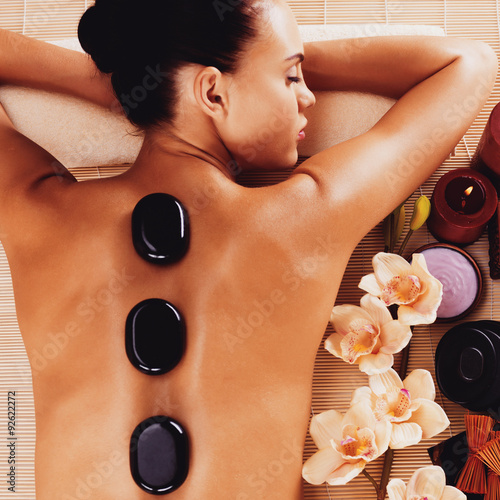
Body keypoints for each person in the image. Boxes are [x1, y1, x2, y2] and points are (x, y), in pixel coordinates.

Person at [0, 0, 496, 499]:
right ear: (212, 91)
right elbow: (468, 66)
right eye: (291, 77)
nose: (309, 99)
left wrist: (133, 81)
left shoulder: (39, 213)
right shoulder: (307, 218)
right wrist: (167, 73)